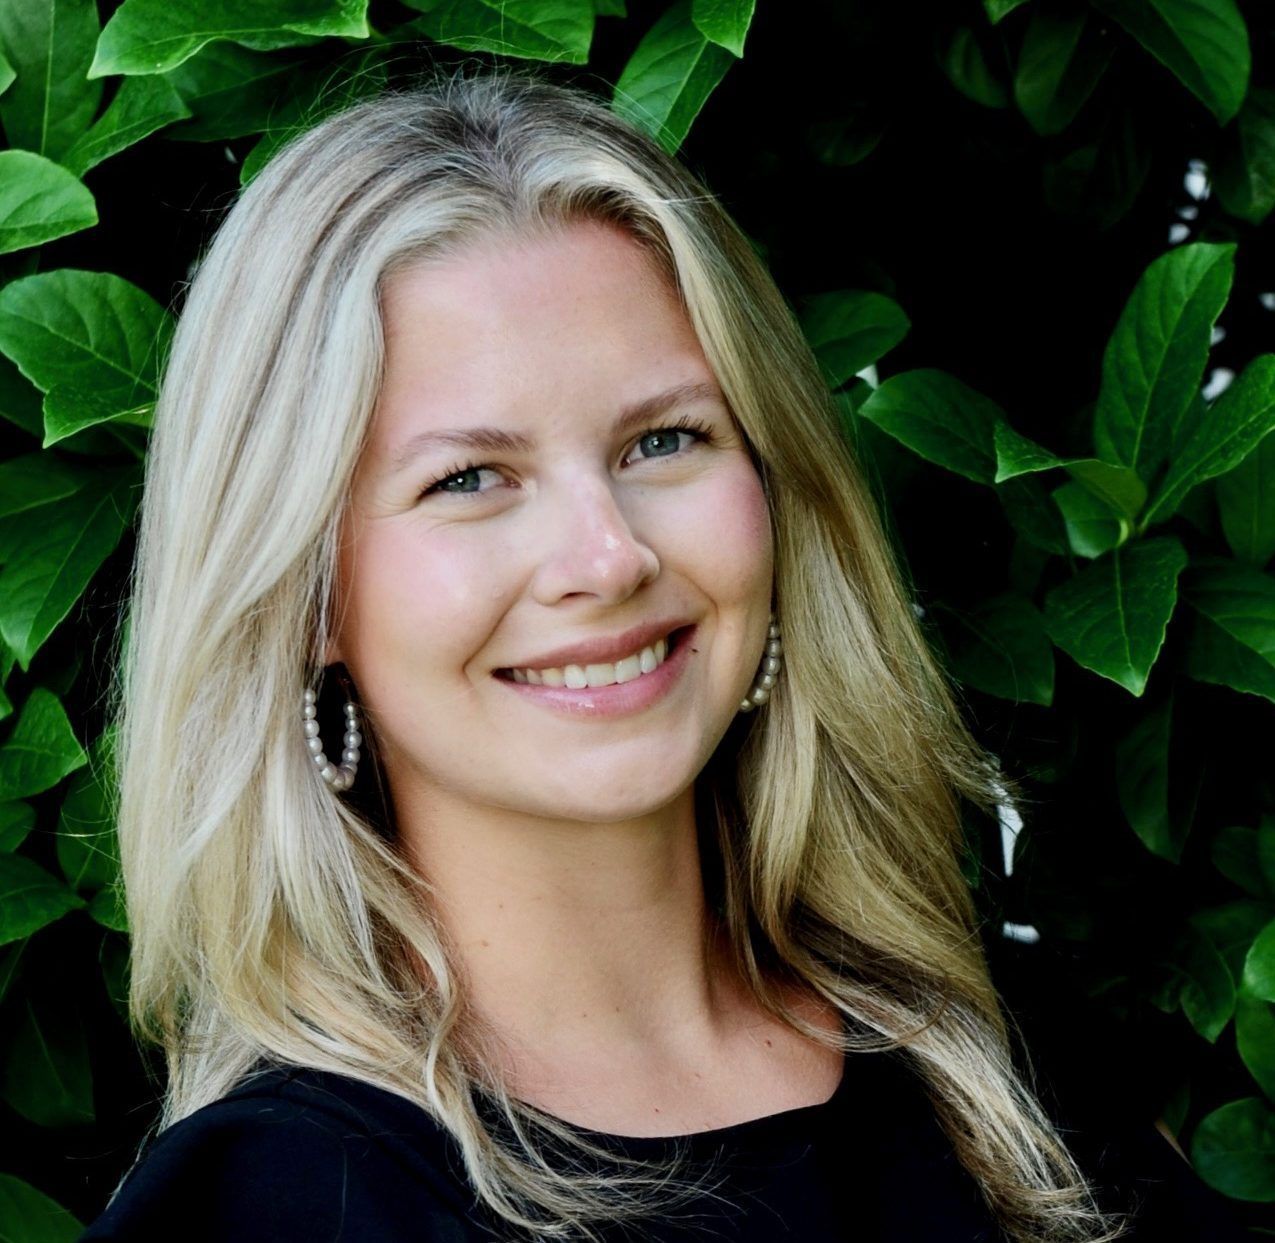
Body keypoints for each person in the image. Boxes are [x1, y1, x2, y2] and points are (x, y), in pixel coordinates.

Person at [78, 65, 1245, 1243]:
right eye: (470, 478)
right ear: (307, 593)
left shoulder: (995, 1079)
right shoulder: (275, 1207)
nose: (607, 554)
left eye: (665, 439)